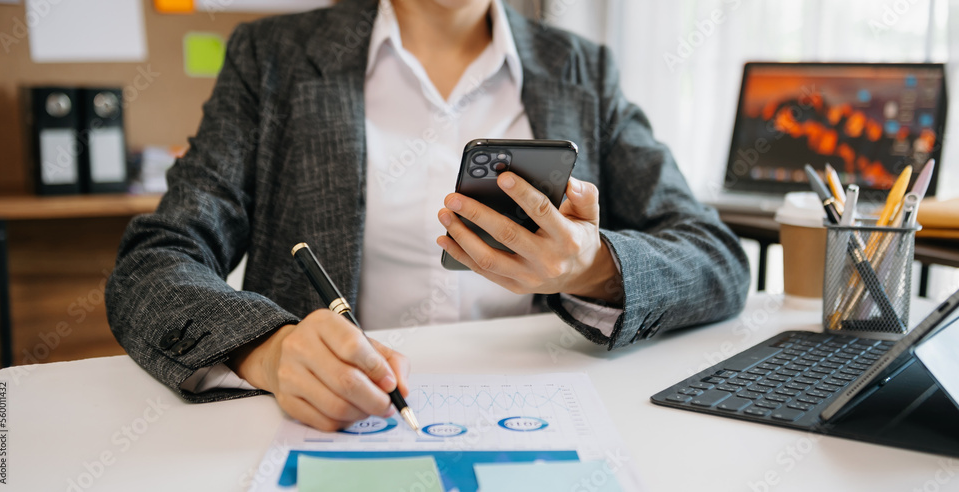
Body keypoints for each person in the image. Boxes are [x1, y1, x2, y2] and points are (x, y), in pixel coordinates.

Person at [105, 0, 750, 432]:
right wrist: (268, 349)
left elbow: (716, 258)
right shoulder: (269, 58)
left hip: (542, 424)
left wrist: (593, 267)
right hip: (334, 429)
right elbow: (153, 263)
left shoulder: (584, 70)